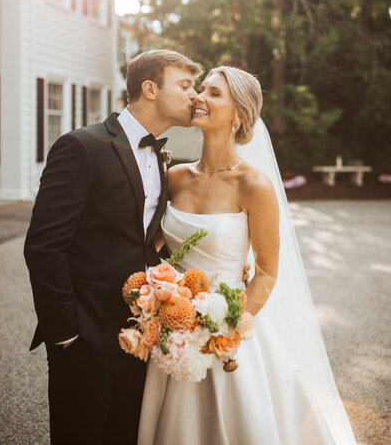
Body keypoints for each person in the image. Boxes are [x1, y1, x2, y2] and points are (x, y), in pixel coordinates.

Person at [138, 66, 358, 445]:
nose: (199, 98)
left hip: (227, 328)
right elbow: (151, 248)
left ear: (238, 115)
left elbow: (267, 273)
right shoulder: (173, 176)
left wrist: (225, 327)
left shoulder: (255, 186)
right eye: (200, 89)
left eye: (213, 93)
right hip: (173, 327)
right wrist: (156, 296)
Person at [24, 49, 203, 445]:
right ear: (150, 88)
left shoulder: (159, 156)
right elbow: (43, 246)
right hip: (83, 337)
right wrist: (65, 334)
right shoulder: (81, 146)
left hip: (139, 334)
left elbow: (143, 240)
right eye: (186, 85)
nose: (196, 95)